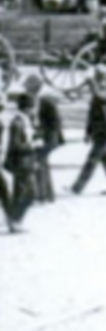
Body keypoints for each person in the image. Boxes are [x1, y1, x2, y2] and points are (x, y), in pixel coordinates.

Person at [71, 56, 106, 197]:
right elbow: (93, 108)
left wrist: (91, 82)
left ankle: (77, 187)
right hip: (100, 126)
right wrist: (88, 130)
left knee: (92, 159)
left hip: (104, 127)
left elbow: (101, 98)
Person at [27, 74, 64, 204]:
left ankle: (42, 195)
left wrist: (42, 132)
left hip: (49, 137)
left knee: (39, 163)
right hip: (47, 137)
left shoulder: (45, 100)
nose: (27, 91)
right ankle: (48, 195)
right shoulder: (41, 98)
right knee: (43, 164)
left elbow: (55, 121)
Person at [7, 90, 38, 232]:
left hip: (26, 163)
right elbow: (15, 146)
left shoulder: (24, 121)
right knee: (28, 194)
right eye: (32, 108)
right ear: (27, 108)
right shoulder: (18, 123)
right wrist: (32, 146)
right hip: (21, 163)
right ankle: (15, 221)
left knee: (22, 193)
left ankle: (14, 220)